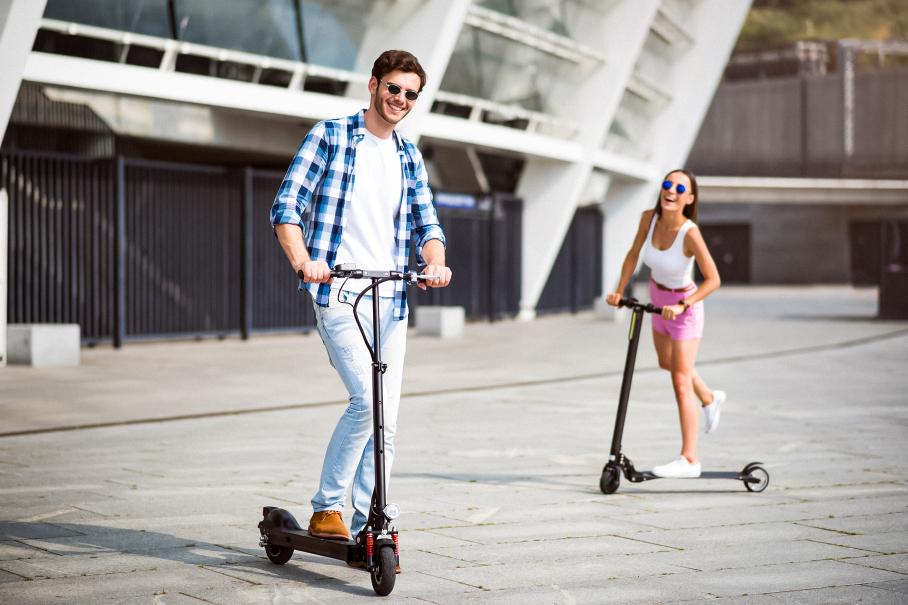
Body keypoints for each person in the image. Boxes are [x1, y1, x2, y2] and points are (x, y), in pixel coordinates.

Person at [270, 49, 451, 542]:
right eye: (394, 88)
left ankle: (373, 517)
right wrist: (304, 260)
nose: (401, 100)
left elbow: (426, 221)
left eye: (411, 94)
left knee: (387, 417)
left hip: (390, 298)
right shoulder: (329, 135)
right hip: (339, 292)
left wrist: (434, 260)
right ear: (373, 85)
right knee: (367, 404)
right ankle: (327, 507)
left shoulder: (408, 154)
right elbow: (286, 205)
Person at [605, 169, 724, 479]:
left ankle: (689, 459)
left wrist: (684, 304)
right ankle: (710, 396)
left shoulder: (690, 233)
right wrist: (620, 290)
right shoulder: (649, 218)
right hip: (658, 302)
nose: (670, 191)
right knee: (666, 363)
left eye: (679, 188)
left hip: (684, 308)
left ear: (689, 198)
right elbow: (633, 255)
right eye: (667, 185)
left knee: (681, 382)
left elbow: (713, 280)